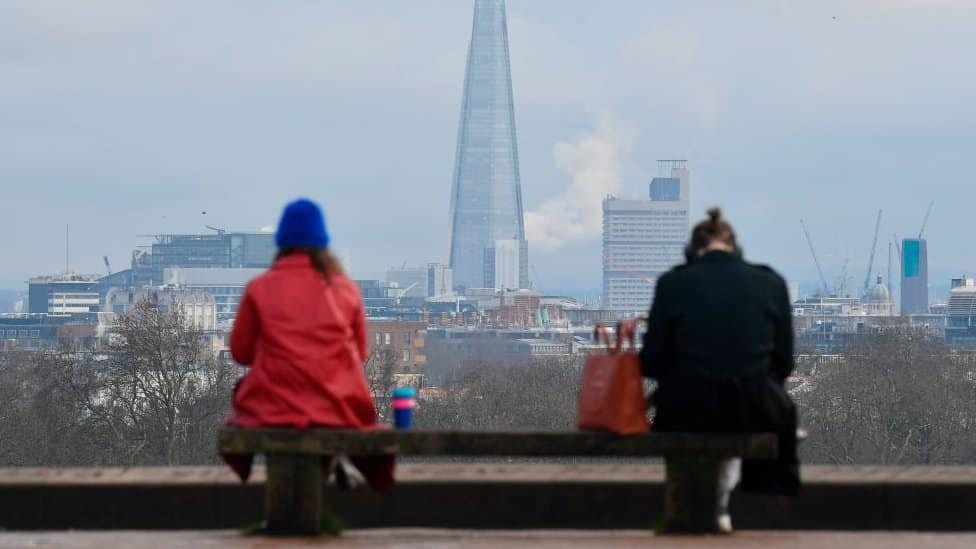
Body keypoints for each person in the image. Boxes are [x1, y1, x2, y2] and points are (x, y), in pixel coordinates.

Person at [639, 207, 799, 533]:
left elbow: (652, 362)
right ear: (736, 248)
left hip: (686, 409)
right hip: (752, 408)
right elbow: (784, 363)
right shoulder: (771, 283)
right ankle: (751, 500)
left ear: (691, 251)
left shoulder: (672, 284)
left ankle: (690, 508)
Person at [223, 198, 391, 491]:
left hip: (274, 407)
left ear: (282, 242)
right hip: (335, 405)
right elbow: (360, 353)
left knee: (247, 399)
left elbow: (241, 353)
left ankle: (298, 493)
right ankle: (332, 468)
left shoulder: (259, 288)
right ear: (322, 242)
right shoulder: (346, 289)